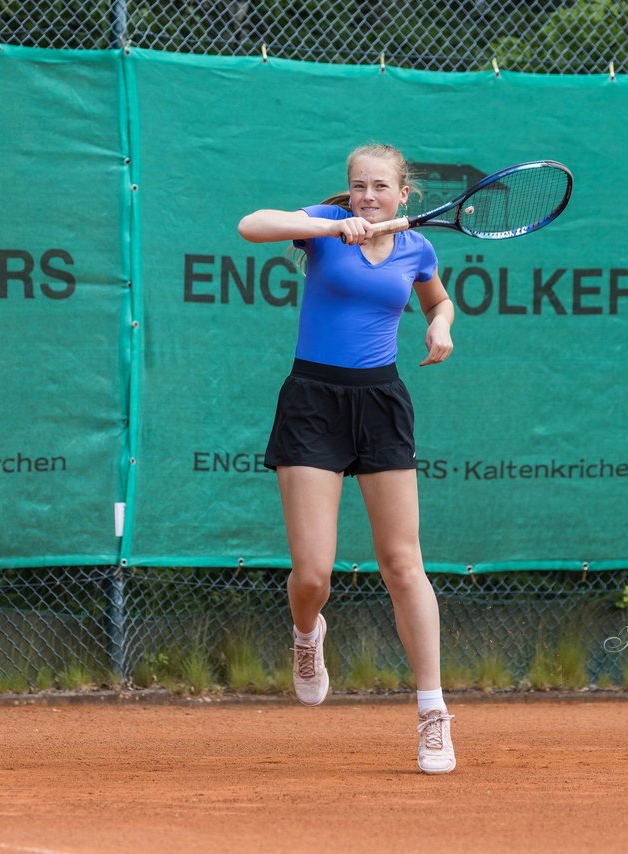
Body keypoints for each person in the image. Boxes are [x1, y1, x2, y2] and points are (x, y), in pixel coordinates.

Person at [237, 143, 457, 775]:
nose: (367, 196)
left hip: (382, 403)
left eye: (380, 186)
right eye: (358, 185)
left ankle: (433, 713)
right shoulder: (324, 230)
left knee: (402, 563)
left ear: (403, 193)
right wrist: (331, 225)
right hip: (312, 402)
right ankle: (308, 637)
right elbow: (251, 225)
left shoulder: (417, 248)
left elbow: (437, 301)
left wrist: (440, 326)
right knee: (313, 576)